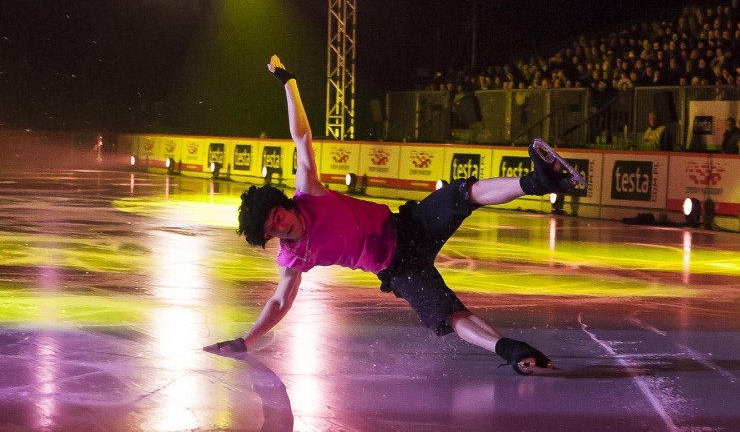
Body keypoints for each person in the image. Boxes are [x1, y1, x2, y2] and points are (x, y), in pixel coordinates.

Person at [204, 55, 586, 375]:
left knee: (461, 193)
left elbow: (301, 137)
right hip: (398, 269)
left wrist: (288, 83)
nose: (281, 228)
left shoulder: (310, 193)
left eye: (277, 217)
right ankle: (513, 351)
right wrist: (247, 339)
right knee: (448, 315)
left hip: (409, 225)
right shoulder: (293, 258)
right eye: (273, 231)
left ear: (283, 204)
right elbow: (279, 302)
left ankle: (539, 181)